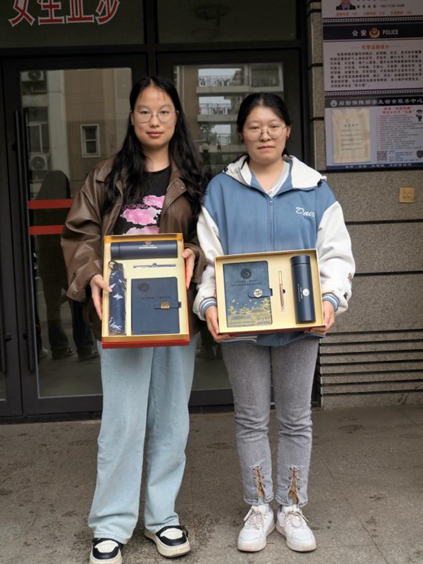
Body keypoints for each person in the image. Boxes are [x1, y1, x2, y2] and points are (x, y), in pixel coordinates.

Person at [194, 93, 355, 554]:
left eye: (273, 125)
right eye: (254, 126)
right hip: (242, 326)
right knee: (250, 418)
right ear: (241, 134)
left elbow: (336, 257)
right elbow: (210, 260)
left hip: (301, 326)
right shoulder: (221, 190)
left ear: (287, 131)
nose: (264, 134)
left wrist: (330, 300)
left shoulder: (315, 189)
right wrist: (210, 305)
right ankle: (259, 505)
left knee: (296, 420)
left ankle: (291, 506)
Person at [62, 76, 207, 564]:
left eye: (164, 111)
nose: (154, 120)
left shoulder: (194, 177)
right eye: (145, 111)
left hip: (174, 314)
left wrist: (194, 252)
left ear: (176, 118)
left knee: (171, 419)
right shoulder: (106, 176)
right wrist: (91, 273)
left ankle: (162, 517)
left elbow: (211, 237)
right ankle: (110, 524)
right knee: (122, 422)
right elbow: (79, 234)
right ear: (131, 117)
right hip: (120, 314)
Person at [36, 170, 96, 361]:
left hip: (47, 264)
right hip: (66, 263)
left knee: (52, 308)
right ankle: (84, 348)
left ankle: (59, 348)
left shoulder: (37, 206)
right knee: (77, 304)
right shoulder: (68, 205)